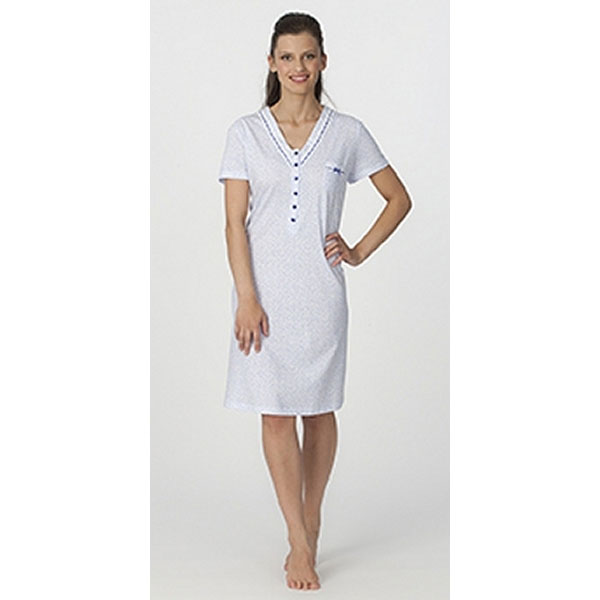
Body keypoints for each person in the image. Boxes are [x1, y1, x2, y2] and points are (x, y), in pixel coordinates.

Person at [218, 12, 412, 591]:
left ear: (323, 61)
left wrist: (358, 250)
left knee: (319, 410)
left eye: (308, 56)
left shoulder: (347, 132)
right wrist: (246, 297)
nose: (298, 67)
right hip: (263, 296)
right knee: (275, 413)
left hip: (321, 294)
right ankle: (299, 540)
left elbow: (398, 199)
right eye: (287, 56)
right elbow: (233, 224)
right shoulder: (245, 133)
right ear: (272, 63)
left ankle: (313, 516)